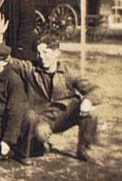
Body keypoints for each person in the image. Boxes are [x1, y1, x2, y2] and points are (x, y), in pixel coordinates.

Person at [10, 34, 100, 165]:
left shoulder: (69, 72)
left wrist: (88, 100)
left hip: (63, 116)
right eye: (38, 53)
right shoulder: (30, 69)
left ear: (57, 53)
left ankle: (83, 150)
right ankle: (38, 145)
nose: (41, 57)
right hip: (41, 119)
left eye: (46, 52)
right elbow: (9, 60)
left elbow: (96, 89)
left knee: (91, 112)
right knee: (40, 135)